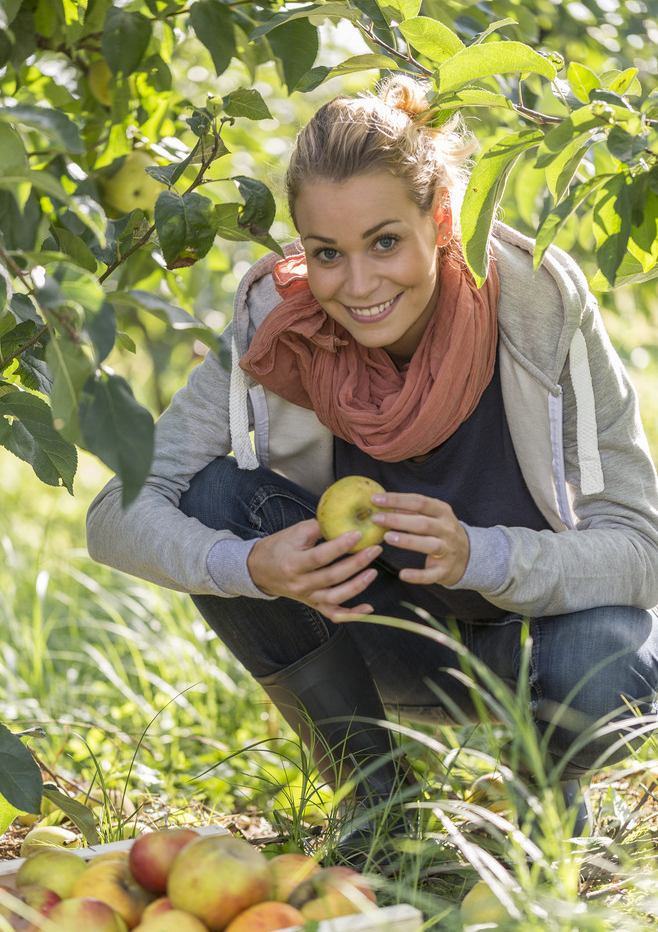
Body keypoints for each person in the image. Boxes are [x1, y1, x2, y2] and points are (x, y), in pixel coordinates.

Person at [86, 75, 658, 862]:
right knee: (217, 494)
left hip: (538, 648)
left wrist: (479, 552)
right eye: (327, 253)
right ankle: (382, 807)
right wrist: (248, 563)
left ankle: (545, 817)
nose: (357, 286)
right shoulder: (277, 329)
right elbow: (114, 511)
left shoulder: (538, 304)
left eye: (385, 241)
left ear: (442, 220)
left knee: (607, 651)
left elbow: (640, 550)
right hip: (384, 640)